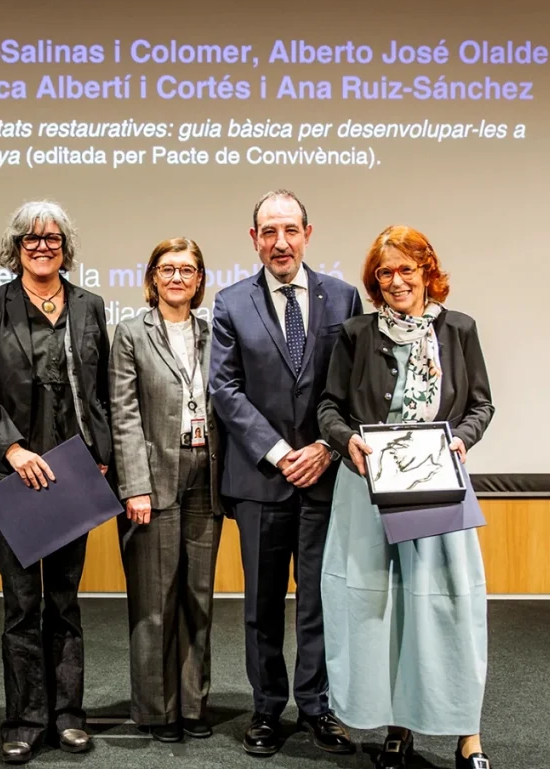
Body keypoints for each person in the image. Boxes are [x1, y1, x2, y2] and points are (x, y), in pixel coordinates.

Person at [316, 225, 494, 769]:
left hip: (437, 487)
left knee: (447, 612)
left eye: (405, 270)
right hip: (368, 491)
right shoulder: (354, 334)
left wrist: (460, 441)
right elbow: (329, 409)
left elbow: (480, 406)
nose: (395, 281)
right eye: (385, 272)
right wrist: (350, 443)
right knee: (378, 612)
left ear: (426, 272)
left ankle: (469, 737)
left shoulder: (460, 330)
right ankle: (397, 729)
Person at [209, 189, 363, 756]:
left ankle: (318, 707)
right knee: (262, 603)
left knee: (321, 600)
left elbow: (351, 386)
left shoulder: (343, 298)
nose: (280, 242)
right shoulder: (230, 302)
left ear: (307, 232)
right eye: (268, 232)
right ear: (254, 239)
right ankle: (268, 708)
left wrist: (325, 445)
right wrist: (279, 452)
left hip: (327, 475)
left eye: (289, 230)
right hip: (261, 480)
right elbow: (224, 389)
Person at [0, 200, 111, 764]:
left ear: (66, 247)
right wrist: (14, 448)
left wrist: (101, 458)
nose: (42, 246)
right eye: (31, 238)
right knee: (22, 604)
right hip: (13, 473)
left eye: (52, 238)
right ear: (15, 247)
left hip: (74, 473)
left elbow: (99, 394)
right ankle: (23, 719)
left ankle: (69, 716)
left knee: (65, 600)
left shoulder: (90, 307)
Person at [109, 238, 225, 742]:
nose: (177, 277)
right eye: (167, 269)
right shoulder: (131, 333)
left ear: (200, 280)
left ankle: (194, 706)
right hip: (153, 479)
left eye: (188, 270)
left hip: (207, 472)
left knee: (198, 596)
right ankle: (157, 711)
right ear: (152, 277)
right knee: (156, 600)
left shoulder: (214, 333)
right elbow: (124, 415)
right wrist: (134, 485)